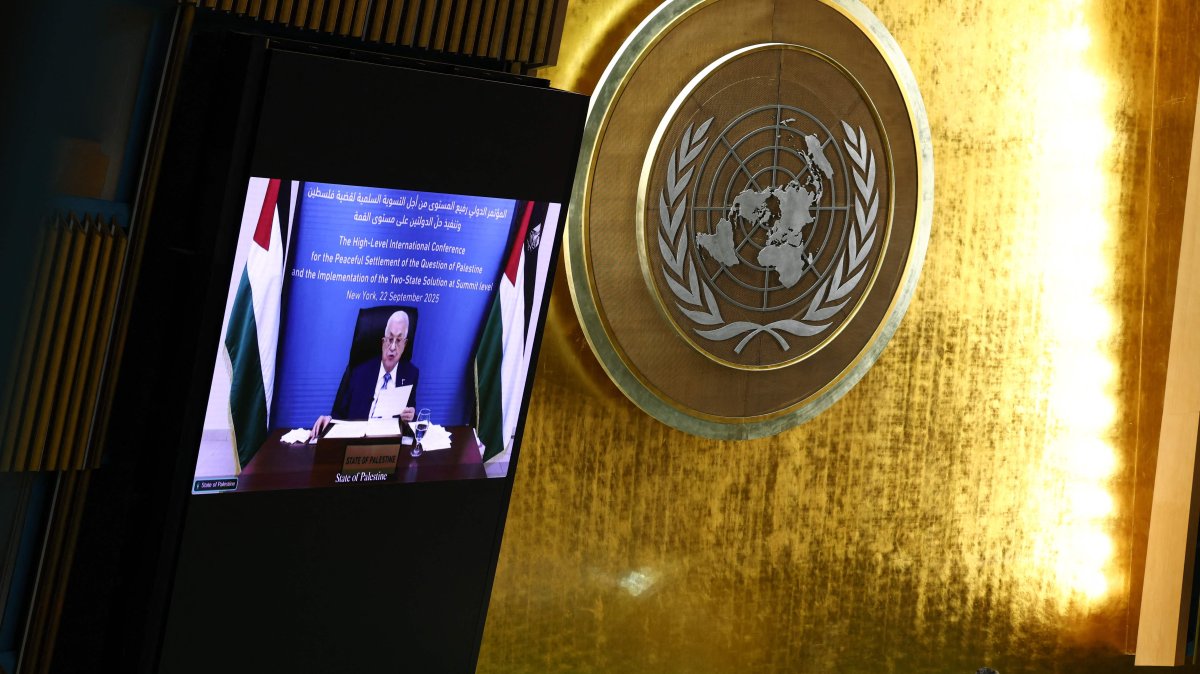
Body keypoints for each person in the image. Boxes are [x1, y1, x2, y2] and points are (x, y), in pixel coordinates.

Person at [311, 310, 419, 437]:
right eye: (390, 339)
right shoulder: (359, 372)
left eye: (399, 340)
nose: (393, 347)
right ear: (383, 341)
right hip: (357, 442)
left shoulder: (410, 374)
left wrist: (411, 417)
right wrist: (329, 421)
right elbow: (340, 415)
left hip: (389, 443)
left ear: (405, 344)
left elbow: (409, 420)